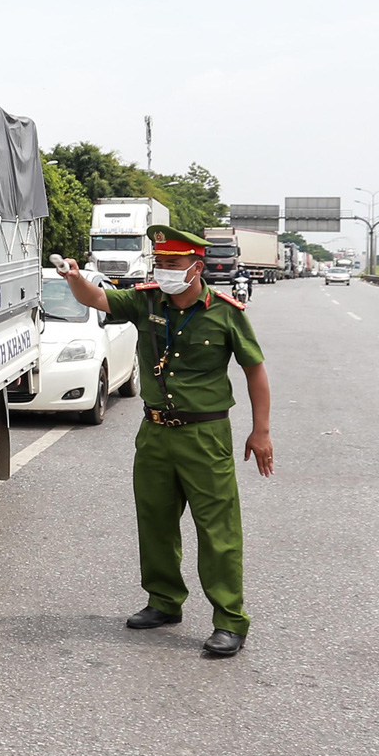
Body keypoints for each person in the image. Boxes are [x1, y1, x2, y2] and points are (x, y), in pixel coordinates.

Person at [59, 225, 275, 657]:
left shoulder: (226, 312)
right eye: (159, 263)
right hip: (155, 433)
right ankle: (163, 601)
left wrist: (261, 431)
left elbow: (255, 371)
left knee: (218, 530)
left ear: (196, 266)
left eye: (173, 264)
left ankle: (230, 620)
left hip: (205, 435)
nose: (164, 271)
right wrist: (75, 278)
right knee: (155, 521)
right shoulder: (146, 301)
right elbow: (96, 298)